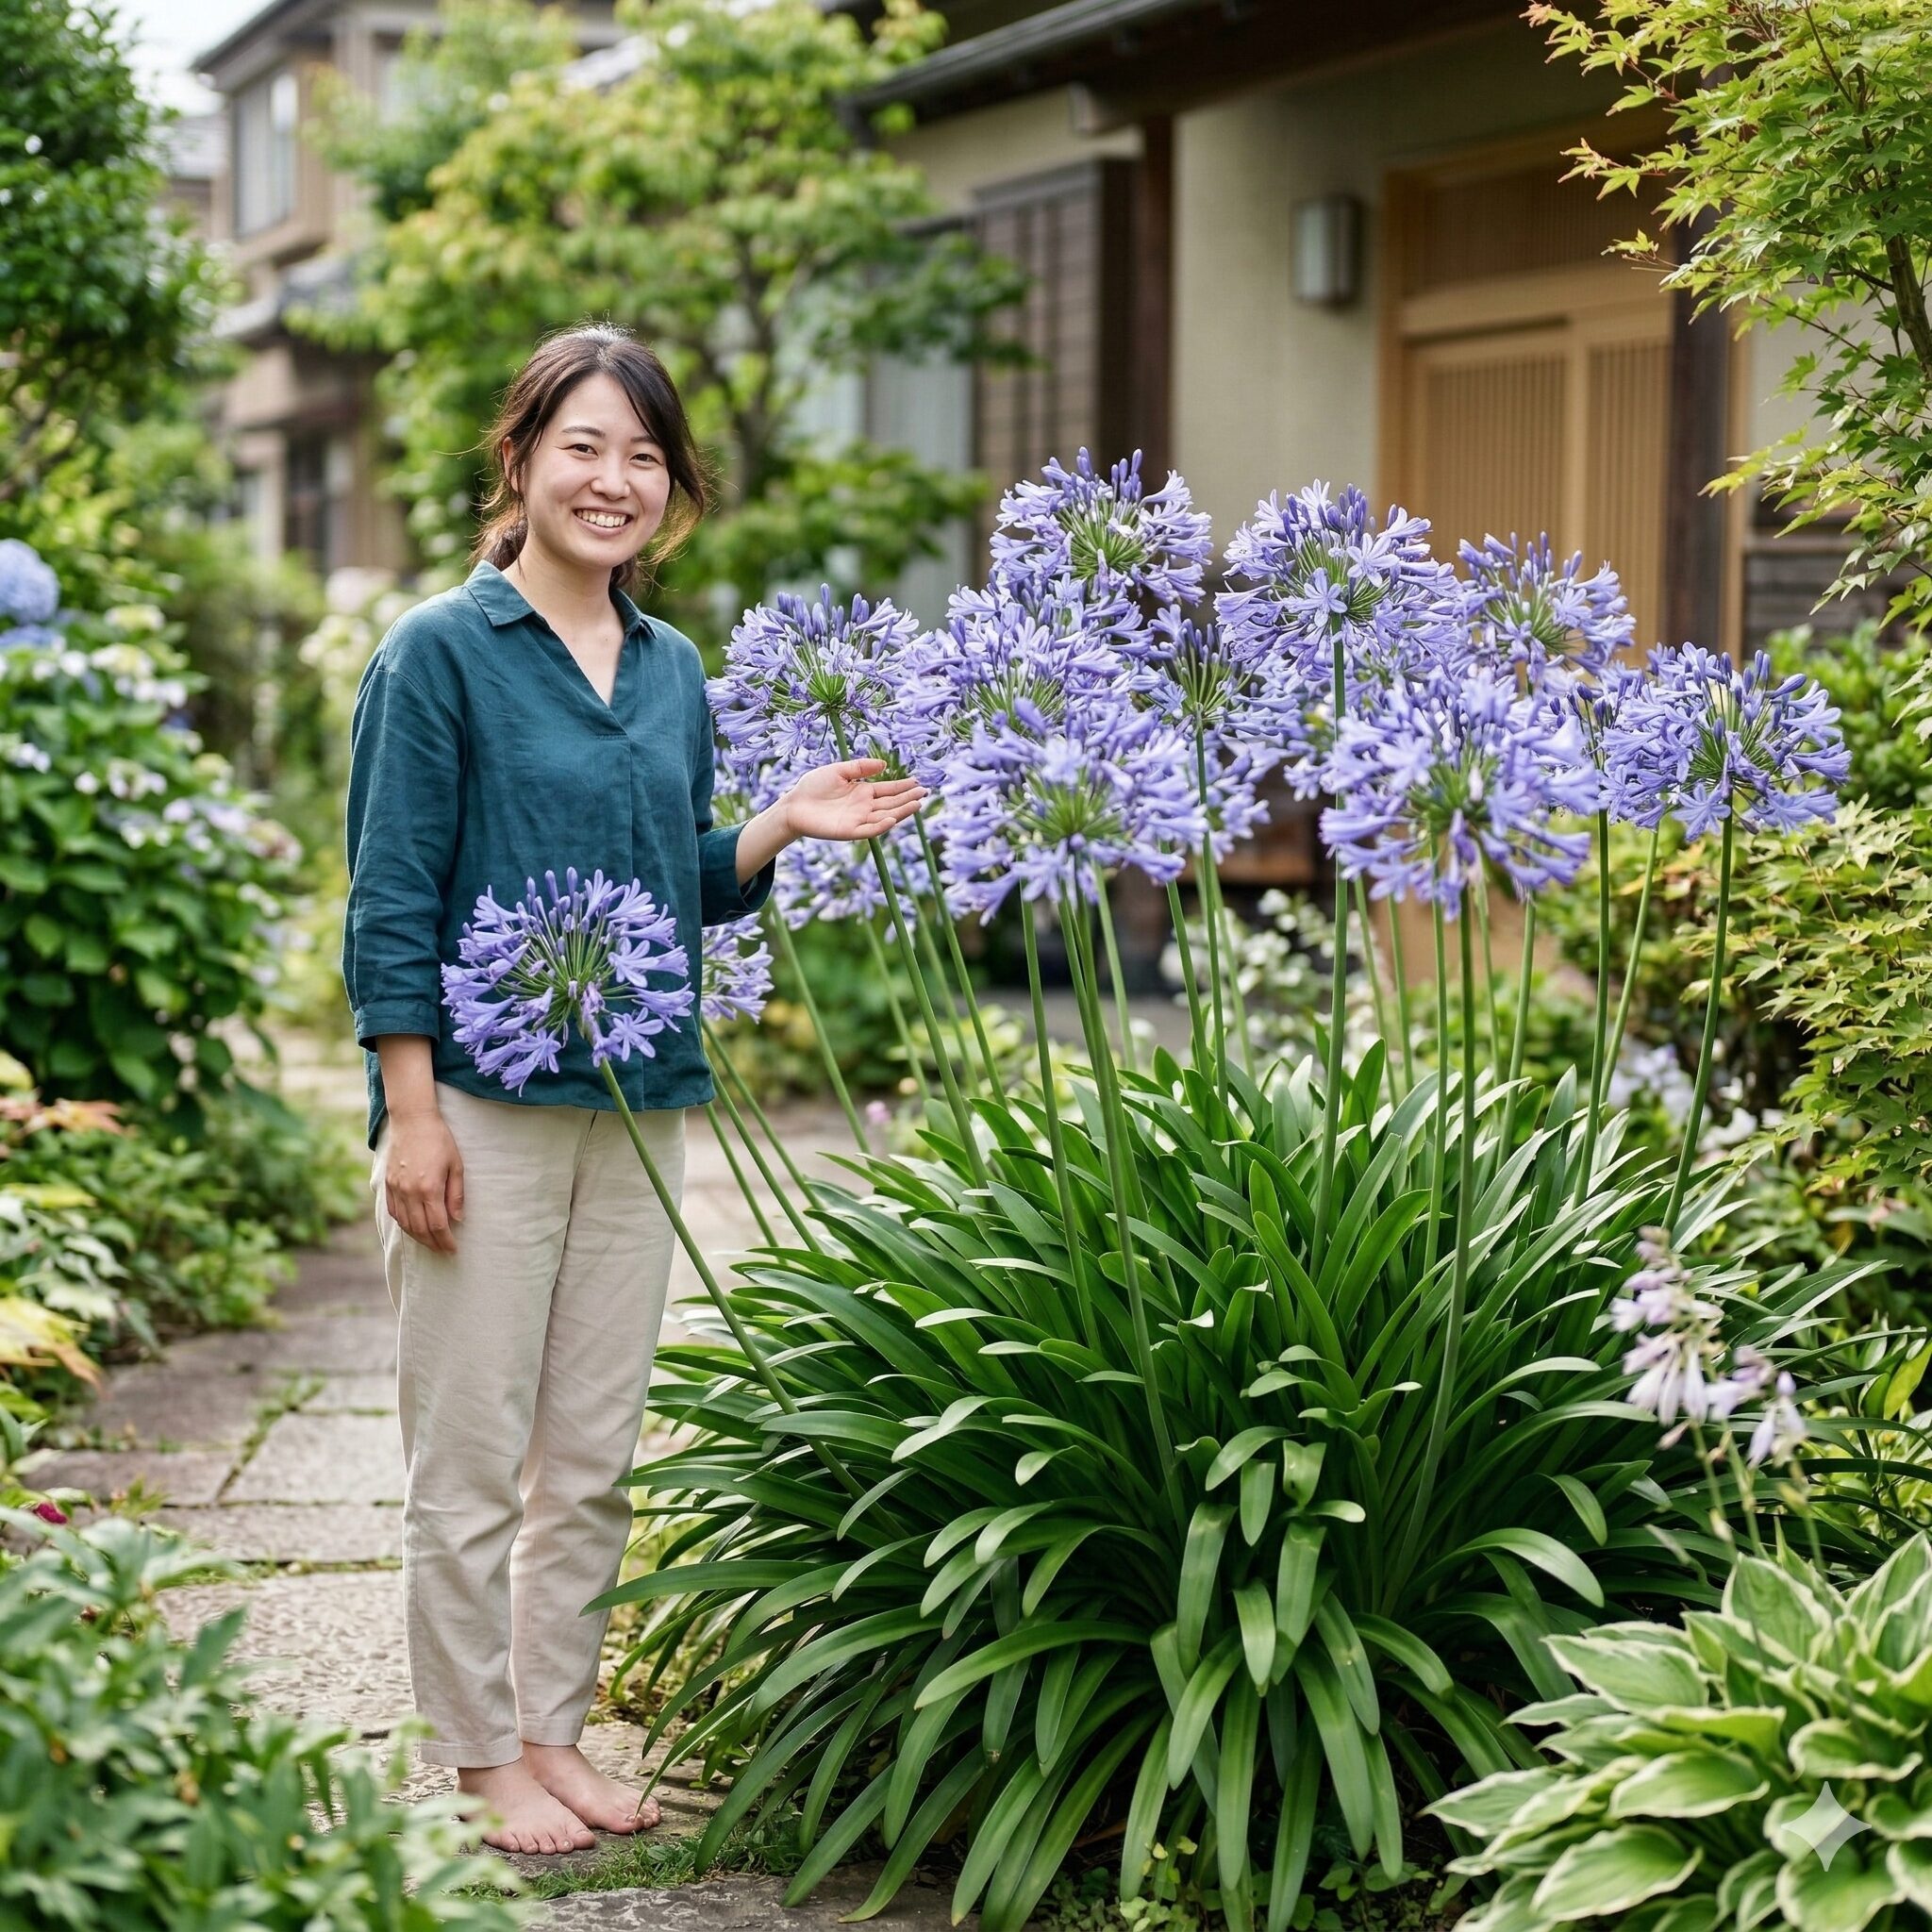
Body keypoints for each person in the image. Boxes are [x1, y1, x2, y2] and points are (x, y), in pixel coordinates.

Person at [342, 323, 924, 1855]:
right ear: (520, 458)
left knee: (591, 1455)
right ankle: (478, 1758)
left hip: (641, 1096)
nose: (613, 480)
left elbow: (671, 885)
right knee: (469, 1460)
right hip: (479, 1102)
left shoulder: (670, 670)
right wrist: (410, 1109)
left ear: (672, 492)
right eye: (584, 446)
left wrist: (778, 826)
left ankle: (556, 1734)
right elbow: (391, 891)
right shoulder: (436, 654)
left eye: (644, 457)